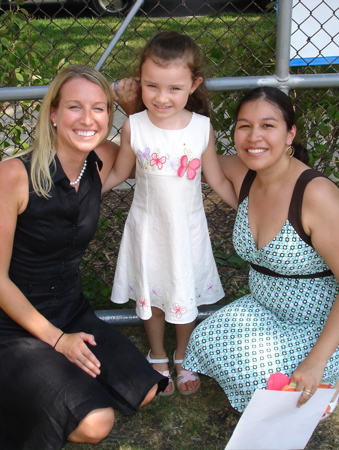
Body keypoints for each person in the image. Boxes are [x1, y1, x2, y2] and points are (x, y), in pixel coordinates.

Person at [0, 65, 167, 450]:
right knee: (97, 424)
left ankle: (53, 388)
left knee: (143, 390)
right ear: (54, 114)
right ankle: (26, 393)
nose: (88, 119)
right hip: (10, 328)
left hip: (70, 311)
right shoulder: (14, 175)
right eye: (75, 107)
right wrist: (58, 342)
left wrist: (131, 106)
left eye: (99, 109)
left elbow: (133, 156)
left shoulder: (101, 160)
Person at [183, 86, 339, 415]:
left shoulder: (316, 195)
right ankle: (297, 381)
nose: (254, 136)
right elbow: (181, 151)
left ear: (290, 134)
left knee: (260, 380)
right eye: (244, 125)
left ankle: (329, 373)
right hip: (266, 309)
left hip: (321, 321)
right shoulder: (244, 175)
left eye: (268, 125)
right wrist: (143, 110)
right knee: (204, 339)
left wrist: (316, 361)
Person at [102, 31, 238, 396]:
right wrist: (80, 193)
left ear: (194, 85)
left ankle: (184, 354)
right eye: (151, 86)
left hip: (186, 231)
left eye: (174, 89)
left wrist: (247, 206)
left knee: (184, 293)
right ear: (141, 82)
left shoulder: (202, 129)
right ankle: (158, 354)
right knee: (153, 297)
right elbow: (118, 172)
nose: (162, 98)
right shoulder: (135, 126)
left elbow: (217, 180)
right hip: (147, 230)